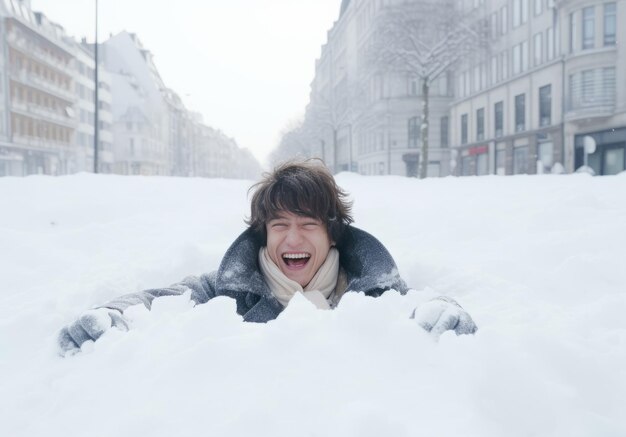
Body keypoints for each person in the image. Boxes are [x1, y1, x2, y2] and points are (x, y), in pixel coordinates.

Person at [58, 159, 476, 353]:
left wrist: (445, 310)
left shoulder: (371, 285)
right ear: (263, 234)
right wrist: (114, 313)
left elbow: (421, 303)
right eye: (279, 225)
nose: (293, 238)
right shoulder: (230, 286)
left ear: (332, 233)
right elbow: (159, 298)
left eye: (308, 224)